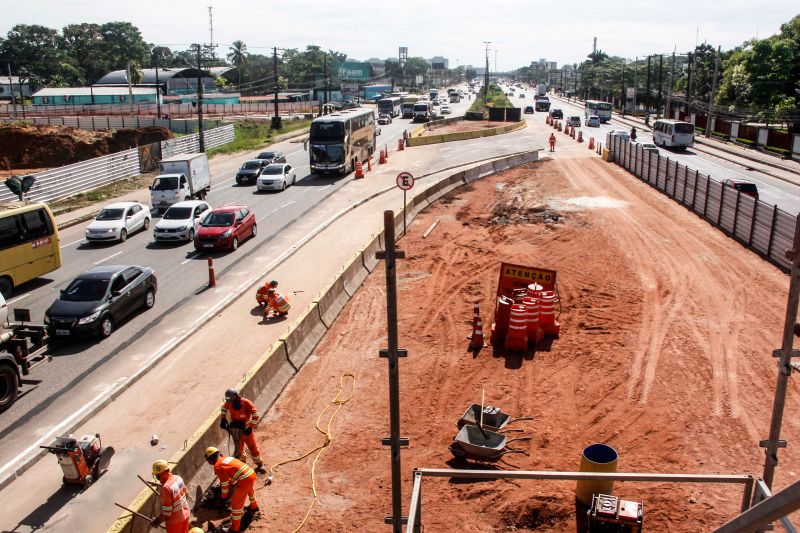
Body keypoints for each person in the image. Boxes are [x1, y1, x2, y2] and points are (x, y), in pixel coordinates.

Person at [205, 447, 259, 533]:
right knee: (250, 490)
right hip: (250, 473)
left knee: (236, 503)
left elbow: (224, 485)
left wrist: (223, 498)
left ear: (210, 460)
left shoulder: (218, 466)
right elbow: (236, 471)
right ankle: (254, 507)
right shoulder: (227, 459)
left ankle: (234, 529)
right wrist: (231, 481)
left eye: (208, 461)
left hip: (244, 478)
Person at [220, 388, 264, 470]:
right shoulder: (229, 403)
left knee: (252, 447)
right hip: (236, 431)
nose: (229, 403)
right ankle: (243, 467)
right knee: (239, 450)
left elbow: (256, 414)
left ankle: (260, 464)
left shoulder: (246, 403)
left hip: (246, 430)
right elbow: (223, 408)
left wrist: (250, 427)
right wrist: (223, 419)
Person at [151, 460, 191, 533]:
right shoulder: (177, 478)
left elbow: (167, 512)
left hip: (175, 522)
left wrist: (157, 520)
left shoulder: (166, 488)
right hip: (186, 514)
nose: (156, 477)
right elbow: (187, 495)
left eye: (156, 475)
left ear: (160, 474)